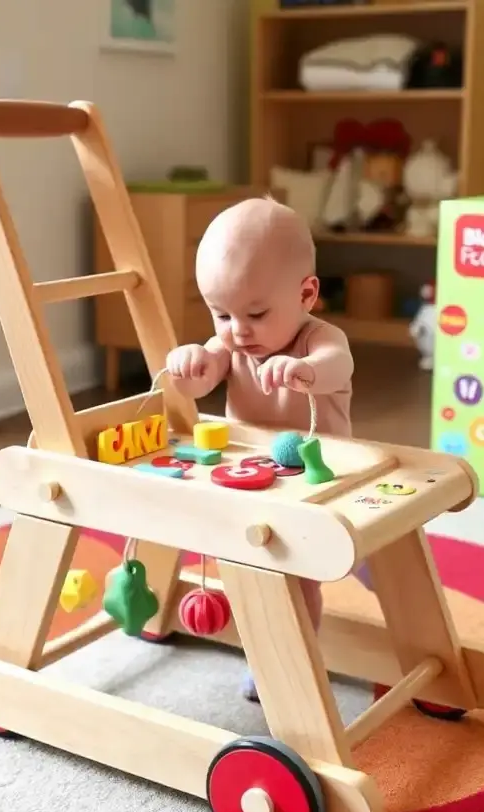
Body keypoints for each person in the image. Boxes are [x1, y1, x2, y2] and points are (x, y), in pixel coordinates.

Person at [163, 195, 364, 701]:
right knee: (266, 574)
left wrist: (307, 372)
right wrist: (190, 362)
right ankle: (281, 649)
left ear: (307, 293)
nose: (237, 330)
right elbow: (197, 380)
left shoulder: (320, 339)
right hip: (252, 480)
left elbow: (339, 364)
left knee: (322, 574)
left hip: (325, 482)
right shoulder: (229, 346)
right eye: (220, 313)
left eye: (254, 312)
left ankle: (295, 655)